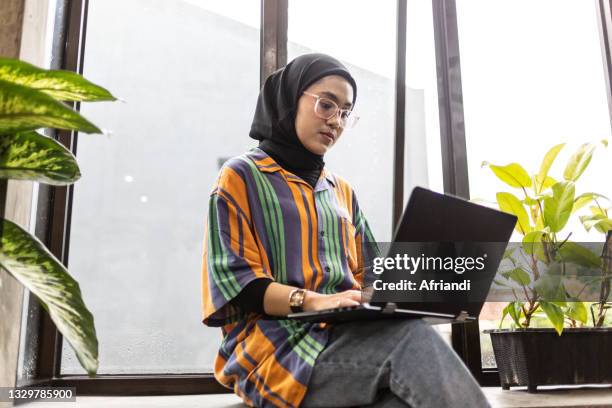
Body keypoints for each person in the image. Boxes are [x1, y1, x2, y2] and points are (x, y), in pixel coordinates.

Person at [201, 53, 490, 408]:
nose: (336, 121)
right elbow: (237, 285)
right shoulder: (240, 176)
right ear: (291, 100)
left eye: (344, 112)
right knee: (411, 342)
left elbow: (369, 274)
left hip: (346, 338)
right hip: (275, 350)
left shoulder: (341, 191)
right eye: (326, 105)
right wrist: (318, 301)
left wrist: (404, 294)